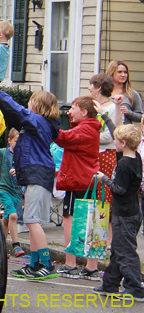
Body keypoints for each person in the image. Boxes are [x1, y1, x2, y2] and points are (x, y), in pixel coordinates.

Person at [0, 78, 62, 279]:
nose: (28, 103)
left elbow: (18, 110)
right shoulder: (42, 124)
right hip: (39, 174)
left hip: (37, 174)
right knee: (33, 220)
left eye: (31, 101)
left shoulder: (38, 121)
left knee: (32, 221)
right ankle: (34, 264)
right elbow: (15, 115)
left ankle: (45, 264)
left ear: (38, 106)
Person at [54, 96, 102, 280]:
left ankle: (71, 263)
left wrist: (50, 122)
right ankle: (91, 267)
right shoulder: (91, 128)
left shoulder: (83, 130)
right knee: (92, 223)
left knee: (70, 219)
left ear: (84, 112)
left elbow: (61, 137)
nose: (69, 111)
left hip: (77, 181)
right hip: (89, 180)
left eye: (73, 108)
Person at [94, 124, 144, 301]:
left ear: (123, 143)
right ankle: (110, 283)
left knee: (125, 251)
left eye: (115, 139)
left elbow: (119, 188)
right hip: (131, 212)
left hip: (124, 215)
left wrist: (104, 179)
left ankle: (135, 287)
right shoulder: (135, 157)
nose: (113, 141)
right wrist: (108, 118)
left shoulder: (124, 164)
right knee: (118, 249)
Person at [0, 128, 24, 257]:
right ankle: (16, 246)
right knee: (13, 216)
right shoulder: (3, 153)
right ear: (9, 141)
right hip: (3, 189)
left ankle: (0, 248)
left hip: (16, 191)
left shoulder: (22, 156)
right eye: (16, 141)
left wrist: (19, 172)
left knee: (6, 220)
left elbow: (28, 170)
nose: (19, 143)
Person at [89, 73, 118, 212]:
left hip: (106, 154)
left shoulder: (111, 109)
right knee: (93, 191)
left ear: (99, 88)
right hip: (93, 154)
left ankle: (105, 226)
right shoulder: (92, 106)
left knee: (104, 192)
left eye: (91, 86)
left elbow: (110, 136)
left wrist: (88, 138)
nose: (89, 88)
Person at [107, 60, 143, 125]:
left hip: (124, 132)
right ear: (111, 73)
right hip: (106, 132)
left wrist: (128, 113)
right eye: (119, 72)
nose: (123, 75)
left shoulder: (132, 94)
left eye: (125, 72)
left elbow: (141, 117)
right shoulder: (104, 93)